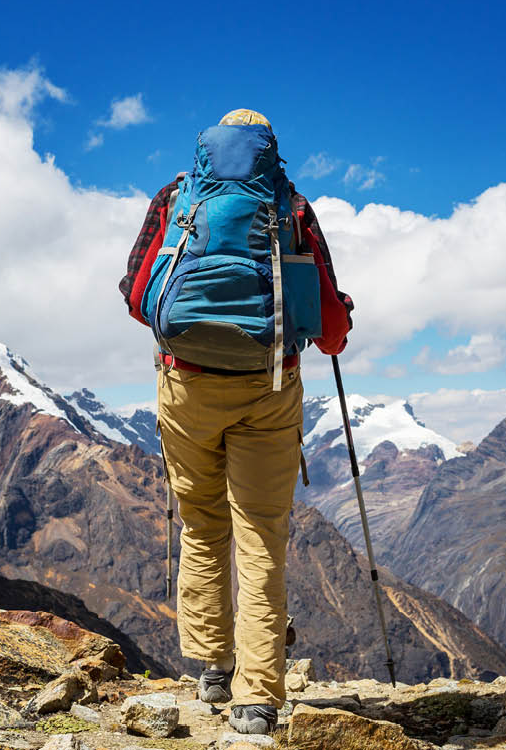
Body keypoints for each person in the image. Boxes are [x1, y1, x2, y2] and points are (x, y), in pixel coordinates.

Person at [119, 108, 353, 735]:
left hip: (186, 384)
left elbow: (137, 291)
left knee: (200, 521)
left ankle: (210, 667)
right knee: (260, 533)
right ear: (269, 150)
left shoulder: (175, 197)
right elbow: (330, 326)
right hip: (269, 386)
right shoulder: (292, 208)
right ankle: (258, 697)